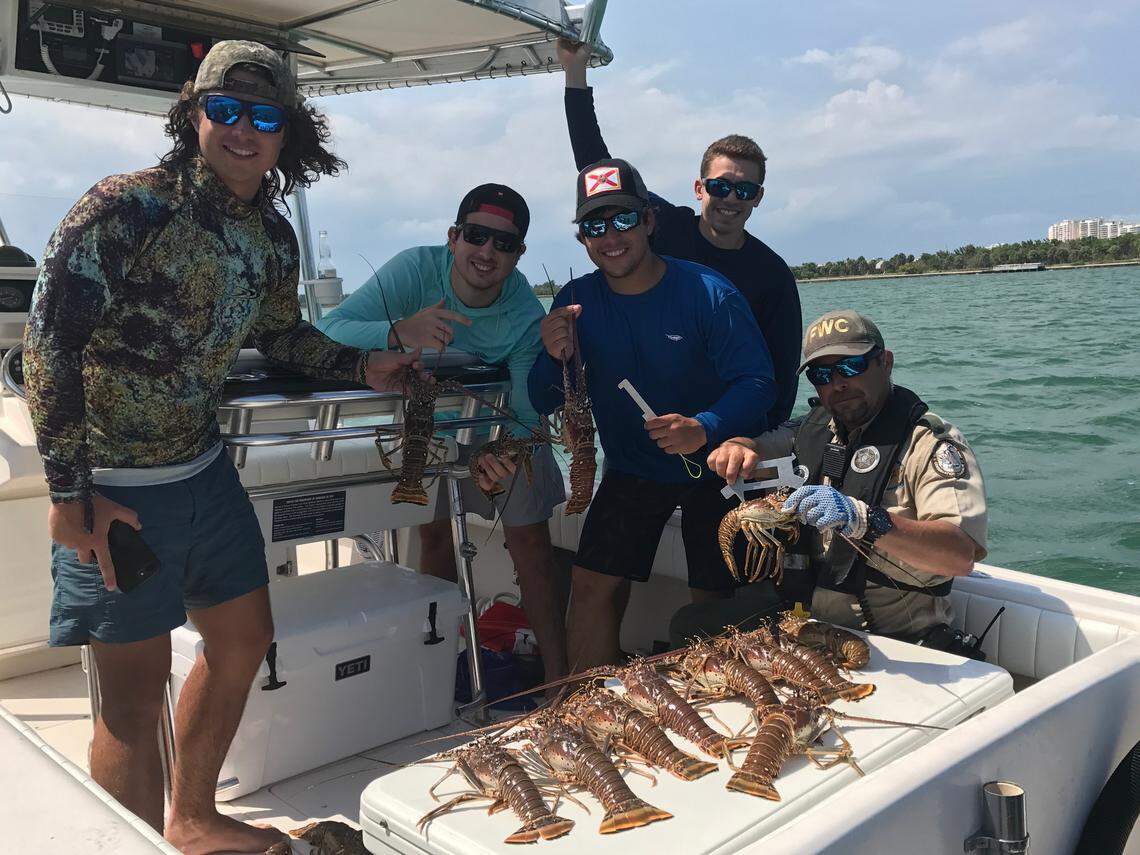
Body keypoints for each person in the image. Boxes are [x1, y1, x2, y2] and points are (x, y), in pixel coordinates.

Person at [22, 41, 419, 855]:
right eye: (225, 110)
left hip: (205, 472)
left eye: (264, 116)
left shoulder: (272, 239)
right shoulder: (125, 207)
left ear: (288, 134)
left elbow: (279, 335)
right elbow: (47, 347)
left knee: (244, 640)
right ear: (192, 113)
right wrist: (70, 495)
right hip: (114, 490)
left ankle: (194, 818)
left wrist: (360, 362)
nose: (243, 130)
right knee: (131, 702)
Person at [527, 157, 776, 671]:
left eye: (623, 219)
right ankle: (579, 712)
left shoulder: (708, 292)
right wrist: (552, 355)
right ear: (582, 239)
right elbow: (544, 399)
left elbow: (758, 384)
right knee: (591, 583)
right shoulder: (574, 301)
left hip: (714, 466)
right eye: (595, 225)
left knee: (713, 596)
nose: (610, 236)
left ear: (649, 222)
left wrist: (703, 426)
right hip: (633, 468)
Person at [315, 184, 570, 683]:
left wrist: (507, 452)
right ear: (453, 237)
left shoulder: (523, 316)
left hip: (493, 420)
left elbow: (523, 406)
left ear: (519, 255)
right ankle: (434, 671)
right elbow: (326, 330)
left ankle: (561, 681)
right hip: (423, 423)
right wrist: (397, 331)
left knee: (532, 544)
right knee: (433, 535)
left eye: (504, 244)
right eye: (476, 236)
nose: (487, 252)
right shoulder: (413, 270)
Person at [696, 310, 987, 644]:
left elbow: (959, 557)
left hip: (894, 637)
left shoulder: (930, 444)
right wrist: (736, 446)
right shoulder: (812, 429)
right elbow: (760, 445)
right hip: (805, 624)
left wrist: (864, 519)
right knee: (691, 624)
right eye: (822, 374)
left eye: (852, 366)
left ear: (885, 363)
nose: (838, 383)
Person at [557, 39, 802, 430]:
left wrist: (757, 444)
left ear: (758, 198)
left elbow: (780, 377)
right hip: (656, 429)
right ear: (699, 188)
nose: (730, 199)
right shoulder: (666, 225)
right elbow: (598, 168)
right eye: (720, 186)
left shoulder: (772, 275)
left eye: (744, 191)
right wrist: (575, 73)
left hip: (727, 433)